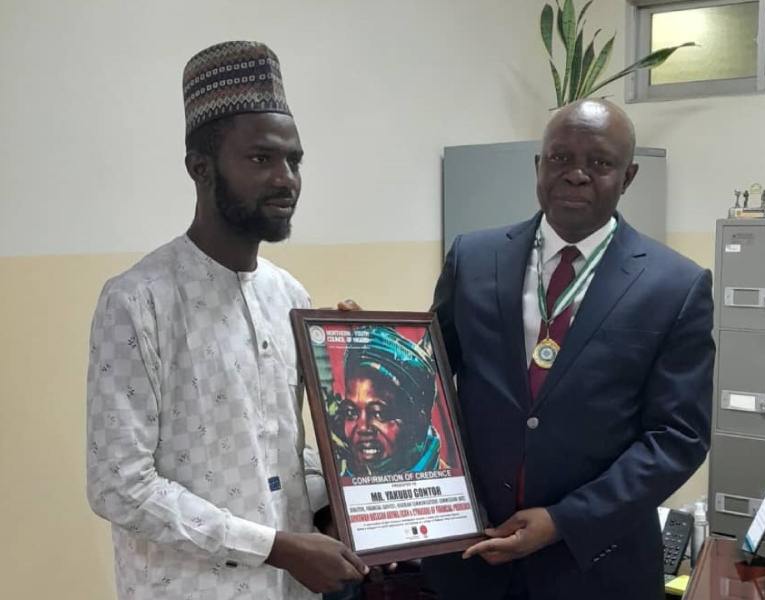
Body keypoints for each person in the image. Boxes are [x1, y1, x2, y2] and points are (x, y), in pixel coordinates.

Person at [86, 41, 368, 600]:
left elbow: (282, 453)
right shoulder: (136, 301)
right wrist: (276, 546)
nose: (286, 178)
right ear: (200, 167)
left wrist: (326, 506)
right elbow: (119, 486)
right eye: (262, 159)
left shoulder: (290, 296)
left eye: (295, 161)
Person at [422, 99, 714, 600]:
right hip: (472, 557)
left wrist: (564, 521)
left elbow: (677, 437)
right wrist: (362, 339)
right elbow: (427, 374)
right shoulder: (473, 257)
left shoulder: (676, 285)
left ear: (628, 177)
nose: (576, 175)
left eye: (599, 163)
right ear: (539, 167)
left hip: (597, 565)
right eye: (560, 158)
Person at [328, 326, 447, 476]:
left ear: (418, 419)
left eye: (379, 413)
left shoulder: (449, 484)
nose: (362, 427)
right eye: (351, 412)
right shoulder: (343, 484)